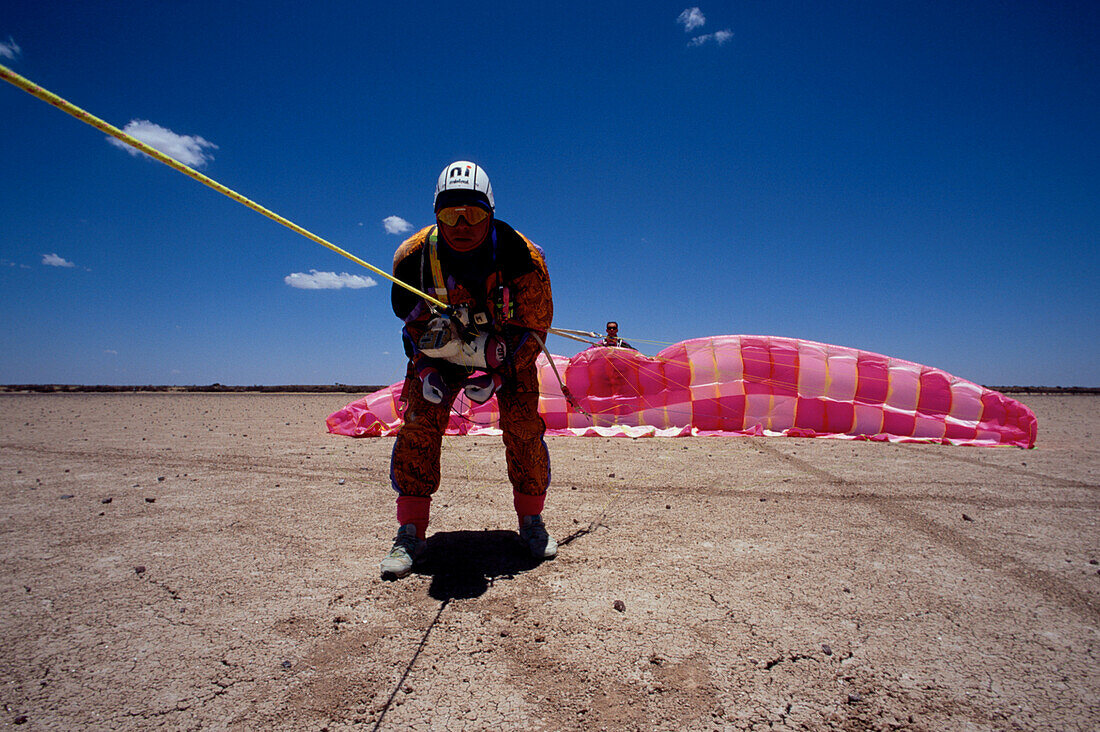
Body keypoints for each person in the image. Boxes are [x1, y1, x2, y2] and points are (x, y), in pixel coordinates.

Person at [381, 161, 556, 578]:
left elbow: (535, 329)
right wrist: (426, 370)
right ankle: (410, 532)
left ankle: (531, 522)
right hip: (440, 353)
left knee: (524, 428)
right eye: (449, 214)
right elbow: (410, 323)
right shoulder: (413, 257)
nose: (462, 224)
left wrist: (497, 372)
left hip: (507, 352)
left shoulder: (523, 257)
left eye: (474, 213)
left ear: (491, 212)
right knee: (418, 427)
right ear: (436, 215)